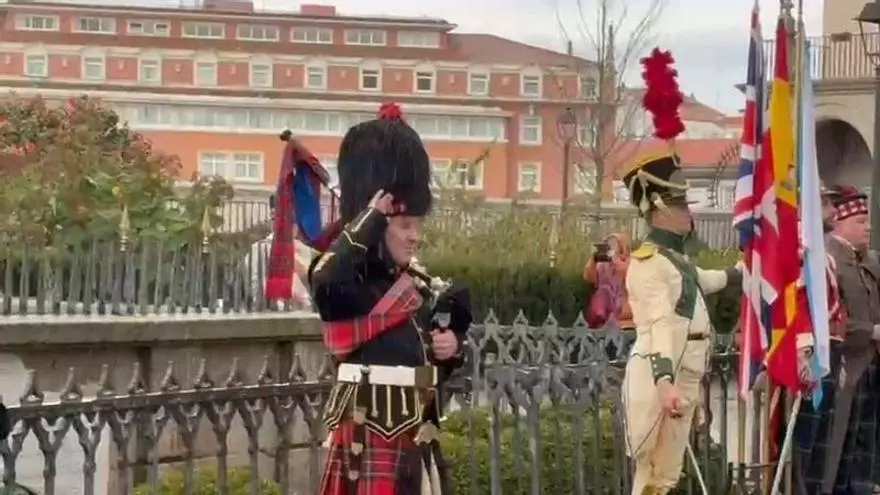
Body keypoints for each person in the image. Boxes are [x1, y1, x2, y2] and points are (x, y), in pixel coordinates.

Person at [311, 102, 471, 494]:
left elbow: (425, 362)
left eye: (417, 224)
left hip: (417, 434)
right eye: (404, 224)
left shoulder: (412, 284)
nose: (415, 236)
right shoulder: (348, 283)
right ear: (379, 223)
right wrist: (368, 218)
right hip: (368, 435)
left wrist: (451, 351)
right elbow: (326, 280)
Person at [621, 151, 742, 495]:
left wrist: (740, 272)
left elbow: (703, 279)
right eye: (682, 205)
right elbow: (660, 324)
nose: (690, 212)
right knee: (651, 472)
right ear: (659, 208)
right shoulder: (649, 263)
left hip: (684, 372)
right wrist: (664, 382)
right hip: (661, 372)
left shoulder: (673, 259)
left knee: (667, 473)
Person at [805, 185, 880, 494]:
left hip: (871, 365)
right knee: (838, 448)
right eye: (860, 221)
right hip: (844, 366)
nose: (868, 227)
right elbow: (829, 318)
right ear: (839, 223)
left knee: (865, 451)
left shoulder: (869, 262)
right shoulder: (829, 262)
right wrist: (870, 332)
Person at [784, 183, 847, 494]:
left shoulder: (820, 250)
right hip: (807, 353)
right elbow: (796, 299)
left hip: (827, 349)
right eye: (826, 204)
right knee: (803, 444)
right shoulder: (800, 245)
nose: (834, 211)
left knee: (821, 443)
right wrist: (803, 350)